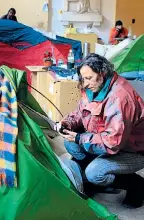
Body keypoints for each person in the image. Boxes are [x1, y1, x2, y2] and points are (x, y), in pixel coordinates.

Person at [58, 53, 144, 208]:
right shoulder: (94, 87)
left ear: (102, 73)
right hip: (105, 141)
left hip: (132, 150)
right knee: (69, 143)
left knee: (94, 173)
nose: (84, 83)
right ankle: (91, 179)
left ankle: (136, 184)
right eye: (83, 78)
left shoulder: (119, 98)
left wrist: (80, 138)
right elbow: (80, 113)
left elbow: (113, 142)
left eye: (89, 78)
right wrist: (66, 124)